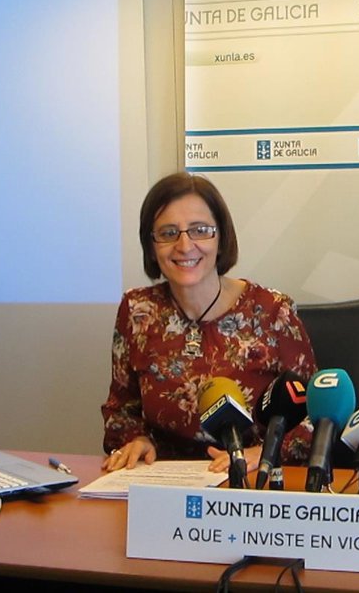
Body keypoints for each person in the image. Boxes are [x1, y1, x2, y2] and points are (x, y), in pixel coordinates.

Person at [101, 172, 316, 473]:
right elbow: (122, 410)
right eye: (168, 233)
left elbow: (314, 416)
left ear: (221, 237)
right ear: (151, 245)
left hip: (253, 481)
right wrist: (137, 439)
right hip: (164, 481)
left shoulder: (272, 311)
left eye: (200, 230)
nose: (184, 245)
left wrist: (264, 453)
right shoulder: (137, 311)